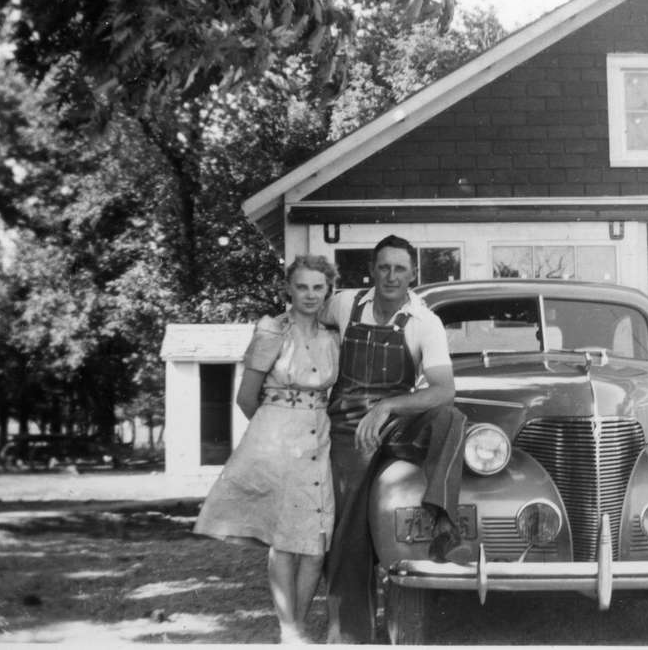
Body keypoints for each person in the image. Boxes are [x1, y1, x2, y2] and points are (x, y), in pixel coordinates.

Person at [321, 233, 468, 643]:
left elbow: (443, 389)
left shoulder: (425, 321)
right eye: (383, 266)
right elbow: (306, 320)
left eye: (399, 268)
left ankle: (443, 522)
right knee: (346, 530)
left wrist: (386, 407)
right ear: (371, 270)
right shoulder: (345, 304)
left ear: (412, 273)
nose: (390, 275)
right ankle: (349, 636)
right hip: (349, 427)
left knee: (449, 418)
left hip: (395, 421)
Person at [193, 255, 341, 644]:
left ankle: (297, 627)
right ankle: (289, 631)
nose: (310, 295)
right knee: (286, 541)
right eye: (302, 287)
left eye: (318, 288)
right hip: (279, 439)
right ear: (289, 289)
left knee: (315, 546)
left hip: (318, 438)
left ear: (328, 290)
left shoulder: (333, 336)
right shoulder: (272, 331)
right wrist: (273, 433)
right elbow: (245, 398)